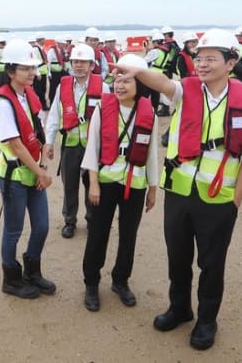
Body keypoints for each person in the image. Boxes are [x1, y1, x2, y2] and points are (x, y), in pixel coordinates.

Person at [117, 29, 242, 350]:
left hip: (219, 200)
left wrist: (235, 202)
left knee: (211, 265)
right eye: (199, 57)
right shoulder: (185, 91)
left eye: (211, 58)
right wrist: (138, 70)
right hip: (180, 194)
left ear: (231, 63)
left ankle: (207, 320)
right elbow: (162, 82)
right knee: (178, 258)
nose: (202, 63)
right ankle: (179, 308)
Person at [81, 54, 158, 311]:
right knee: (98, 234)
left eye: (127, 80)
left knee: (129, 235)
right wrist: (93, 183)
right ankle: (91, 283)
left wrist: (152, 188)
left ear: (140, 84)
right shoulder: (103, 108)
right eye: (117, 79)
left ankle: (120, 280)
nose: (120, 85)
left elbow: (152, 154)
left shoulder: (149, 113)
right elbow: (92, 147)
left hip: (134, 183)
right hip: (104, 181)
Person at [0, 39, 55, 299]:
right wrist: (40, 172)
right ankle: (12, 279)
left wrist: (41, 165)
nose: (32, 72)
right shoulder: (5, 102)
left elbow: (36, 134)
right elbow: (16, 145)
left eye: (33, 67)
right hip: (15, 177)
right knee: (14, 229)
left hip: (33, 172)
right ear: (10, 71)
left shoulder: (29, 95)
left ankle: (32, 270)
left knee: (41, 226)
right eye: (24, 68)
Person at [44, 44, 102, 239]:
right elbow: (54, 115)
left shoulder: (104, 87)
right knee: (70, 185)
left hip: (93, 148)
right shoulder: (63, 85)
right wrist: (49, 142)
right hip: (69, 145)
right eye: (76, 62)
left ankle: (93, 219)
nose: (79, 66)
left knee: (91, 185)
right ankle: (70, 220)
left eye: (83, 62)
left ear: (91, 65)